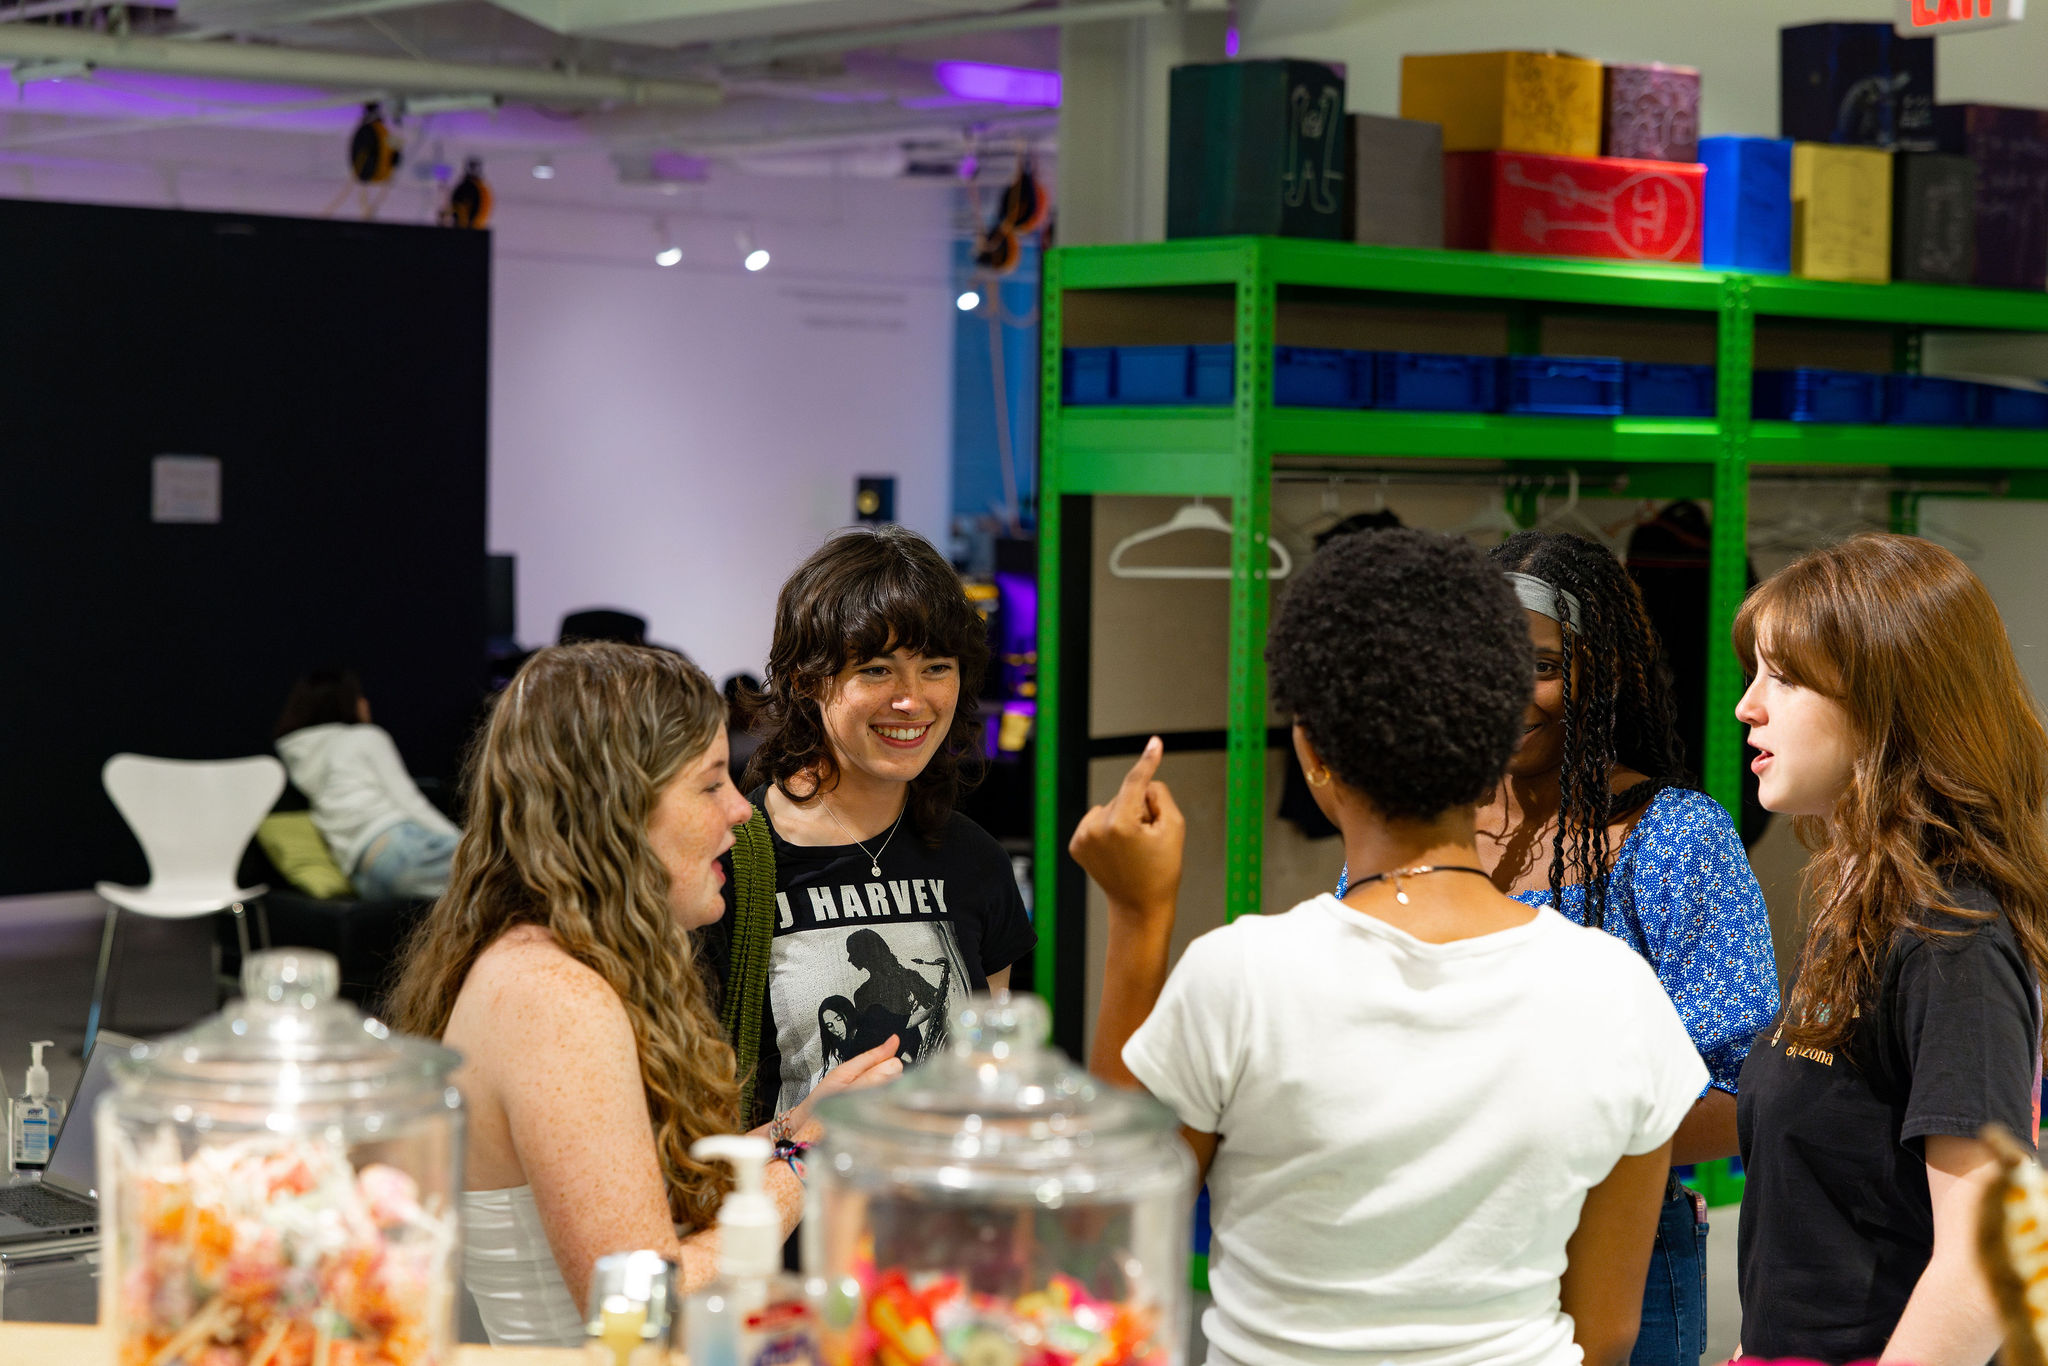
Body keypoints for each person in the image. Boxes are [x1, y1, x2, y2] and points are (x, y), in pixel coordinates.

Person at [1076, 528, 1709, 1366]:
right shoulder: (1618, 994)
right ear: (1497, 744)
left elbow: (1105, 1239)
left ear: (1312, 755)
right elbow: (1608, 1332)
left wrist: (1137, 915)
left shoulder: (1243, 980)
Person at [386, 643, 900, 1346]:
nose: (739, 812)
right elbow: (636, 1303)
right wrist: (809, 1160)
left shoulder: (545, 965)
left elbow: (629, 1199)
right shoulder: (554, 998)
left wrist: (799, 1124)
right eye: (710, 784)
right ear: (620, 806)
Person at [1460, 530, 1780, 1366]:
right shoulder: (1421, 825)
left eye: (1539, 666)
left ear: (1601, 670)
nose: (1505, 695)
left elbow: (1745, 1098)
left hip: (1620, 1264)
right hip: (1440, 1248)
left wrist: (1543, 1133)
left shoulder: (1673, 839)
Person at [1732, 533, 2048, 1366]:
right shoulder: (1865, 908)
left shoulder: (1952, 932)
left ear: (1887, 698)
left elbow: (1988, 1257)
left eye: (1785, 678)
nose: (1747, 706)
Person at [700, 525, 1036, 1128]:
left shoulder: (973, 859)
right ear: (807, 679)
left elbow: (992, 1080)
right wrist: (803, 1130)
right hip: (790, 1214)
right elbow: (689, 1123)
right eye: (878, 670)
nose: (912, 700)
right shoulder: (730, 863)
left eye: (936, 667)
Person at [273, 668, 460, 901]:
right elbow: (409, 800)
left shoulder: (299, 758)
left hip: (364, 875)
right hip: (402, 847)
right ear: (346, 702)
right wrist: (463, 843)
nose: (365, 702)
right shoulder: (364, 737)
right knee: (504, 872)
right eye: (359, 695)